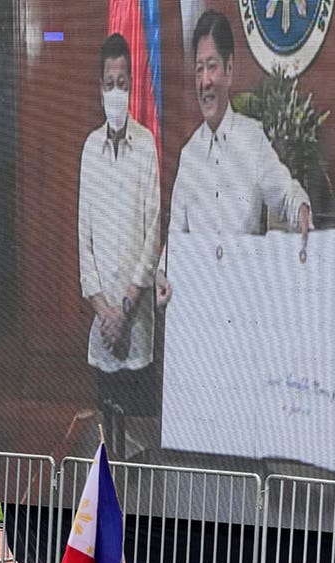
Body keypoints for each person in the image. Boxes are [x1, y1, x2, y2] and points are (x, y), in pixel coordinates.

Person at [159, 9, 312, 301]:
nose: (205, 80)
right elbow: (175, 239)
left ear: (229, 70)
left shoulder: (252, 138)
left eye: (212, 67)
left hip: (243, 308)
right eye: (199, 69)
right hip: (198, 308)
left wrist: (301, 209)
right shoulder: (189, 155)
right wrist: (161, 272)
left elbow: (286, 193)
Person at [76, 32, 161, 455]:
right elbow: (83, 239)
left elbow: (153, 233)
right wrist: (105, 311)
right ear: (100, 88)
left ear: (132, 86)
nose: (116, 91)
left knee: (142, 442)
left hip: (136, 316)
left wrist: (125, 309)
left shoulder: (146, 145)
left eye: (122, 83)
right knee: (109, 441)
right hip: (102, 318)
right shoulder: (90, 148)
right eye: (109, 83)